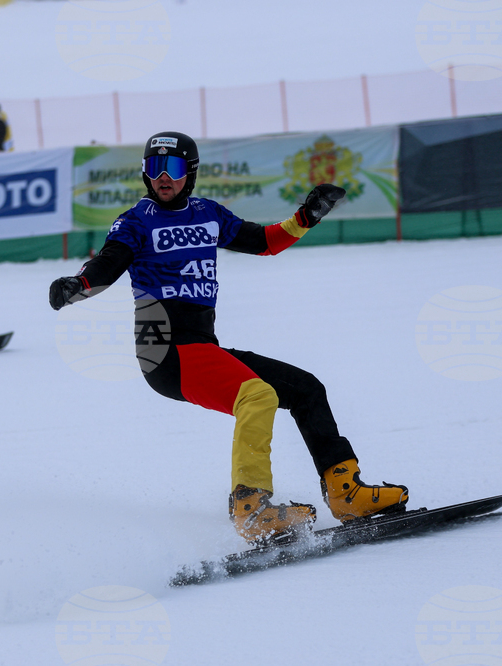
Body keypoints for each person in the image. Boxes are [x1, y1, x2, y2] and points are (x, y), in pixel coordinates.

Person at [48, 131, 408, 544]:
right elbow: (109, 263)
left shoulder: (208, 213)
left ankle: (347, 494)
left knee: (306, 389)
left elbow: (263, 242)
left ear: (190, 173)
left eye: (173, 167)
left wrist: (305, 218)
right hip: (164, 349)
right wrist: (78, 284)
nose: (163, 177)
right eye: (154, 167)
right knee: (257, 396)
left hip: (201, 346)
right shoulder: (136, 221)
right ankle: (250, 508)